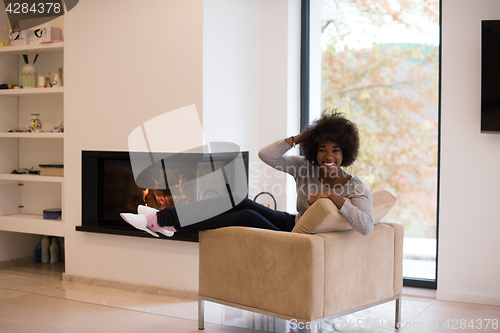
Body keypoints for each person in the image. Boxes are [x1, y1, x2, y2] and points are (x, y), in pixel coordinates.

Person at [120, 112, 374, 237]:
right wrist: (301, 136)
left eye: (336, 150)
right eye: (322, 149)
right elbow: (267, 155)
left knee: (246, 215)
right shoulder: (305, 167)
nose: (329, 156)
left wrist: (332, 197)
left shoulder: (356, 188)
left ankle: (163, 223)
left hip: (298, 238)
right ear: (314, 151)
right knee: (235, 197)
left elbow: (367, 227)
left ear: (346, 152)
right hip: (291, 221)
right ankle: (163, 219)